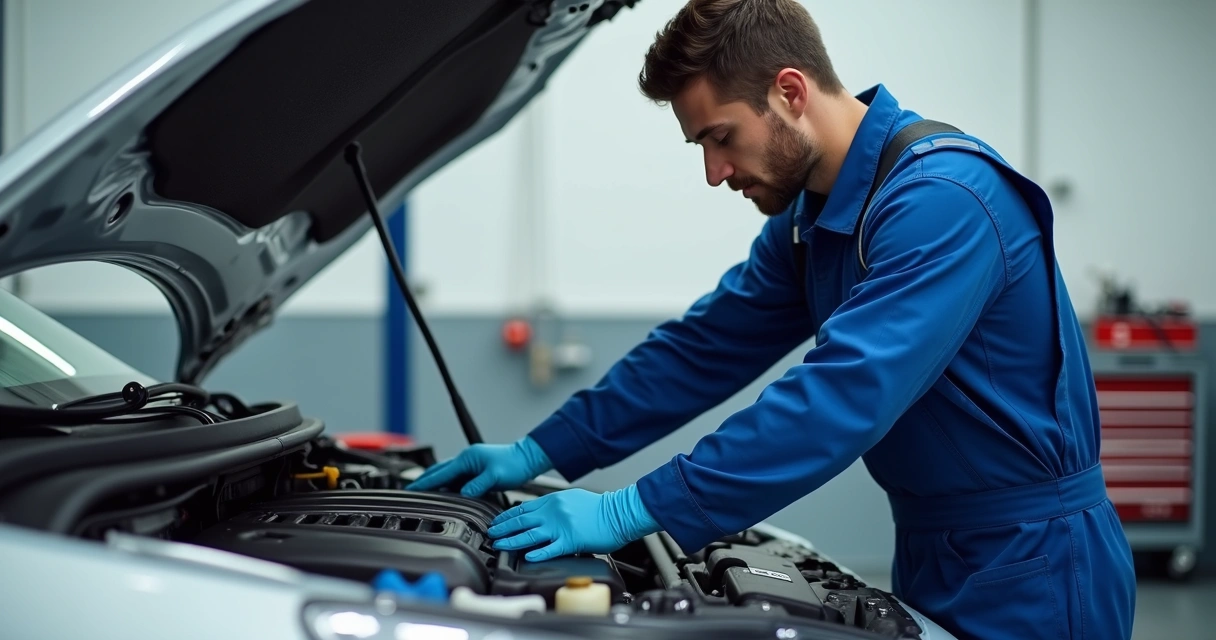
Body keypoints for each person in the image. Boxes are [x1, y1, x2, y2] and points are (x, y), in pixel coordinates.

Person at [409, 0, 1136, 637]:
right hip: (934, 546)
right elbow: (701, 349)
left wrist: (633, 508)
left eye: (720, 137)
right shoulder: (810, 221)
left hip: (1038, 565)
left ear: (789, 91)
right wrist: (540, 450)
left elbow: (840, 398)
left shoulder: (944, 202)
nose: (714, 172)